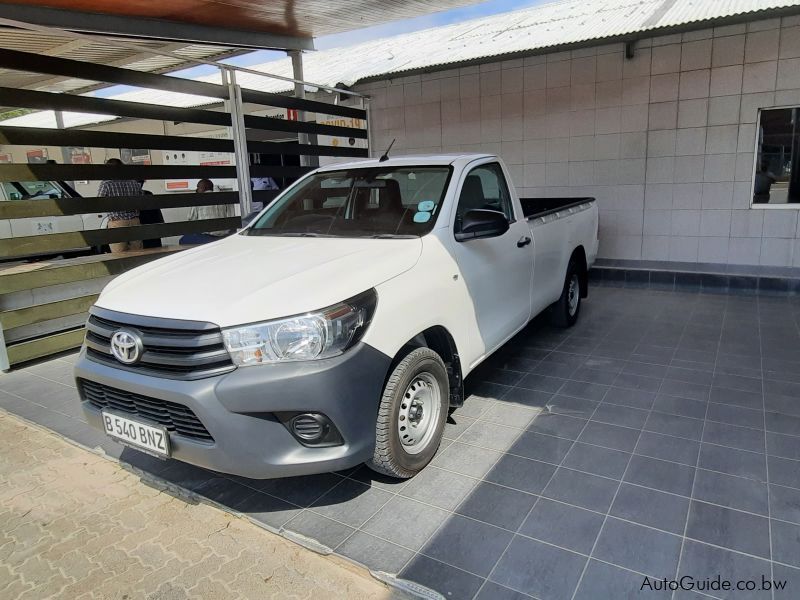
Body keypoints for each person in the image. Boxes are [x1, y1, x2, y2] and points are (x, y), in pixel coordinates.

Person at [99, 158, 143, 253]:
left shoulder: (106, 183)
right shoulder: (133, 182)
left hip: (117, 222)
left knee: (119, 254)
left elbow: (99, 201)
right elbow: (141, 198)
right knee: (137, 254)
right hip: (134, 221)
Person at [180, 179, 236, 245]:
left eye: (198, 187)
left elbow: (191, 220)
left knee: (182, 240)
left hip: (206, 238)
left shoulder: (198, 199)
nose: (196, 190)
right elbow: (231, 217)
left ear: (205, 188)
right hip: (224, 236)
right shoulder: (223, 198)